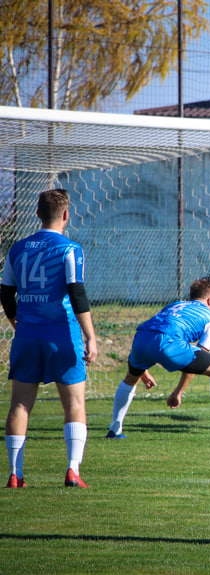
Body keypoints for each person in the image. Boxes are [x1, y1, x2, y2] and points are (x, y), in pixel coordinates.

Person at [2, 188, 98, 488]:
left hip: (27, 335)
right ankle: (72, 470)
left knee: (19, 404)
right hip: (62, 334)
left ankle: (15, 473)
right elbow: (76, 292)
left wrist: (17, 321)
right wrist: (91, 337)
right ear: (66, 215)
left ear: (37, 213)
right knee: (74, 405)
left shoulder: (17, 249)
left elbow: (5, 292)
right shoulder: (70, 248)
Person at [106, 278, 210, 441]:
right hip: (167, 342)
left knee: (131, 378)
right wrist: (178, 391)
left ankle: (114, 429)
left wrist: (143, 369)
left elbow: (154, 330)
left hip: (141, 338)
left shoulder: (175, 305)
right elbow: (198, 358)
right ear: (209, 300)